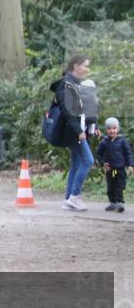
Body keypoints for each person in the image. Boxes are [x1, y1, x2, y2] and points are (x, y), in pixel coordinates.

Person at [50, 55, 95, 211]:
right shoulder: (66, 84)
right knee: (88, 160)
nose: (87, 69)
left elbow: (82, 111)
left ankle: (69, 199)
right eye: (85, 66)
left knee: (76, 163)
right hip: (73, 132)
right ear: (76, 66)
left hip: (77, 130)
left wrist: (91, 127)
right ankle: (75, 196)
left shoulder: (76, 84)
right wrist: (78, 131)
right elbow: (68, 111)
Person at [95, 117, 133, 213]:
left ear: (118, 129)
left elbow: (128, 153)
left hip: (120, 169)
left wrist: (130, 165)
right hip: (110, 170)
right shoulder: (104, 142)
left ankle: (120, 202)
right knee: (111, 187)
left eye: (114, 128)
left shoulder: (122, 141)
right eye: (109, 128)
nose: (112, 131)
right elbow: (98, 154)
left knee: (120, 186)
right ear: (106, 130)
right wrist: (103, 163)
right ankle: (112, 203)